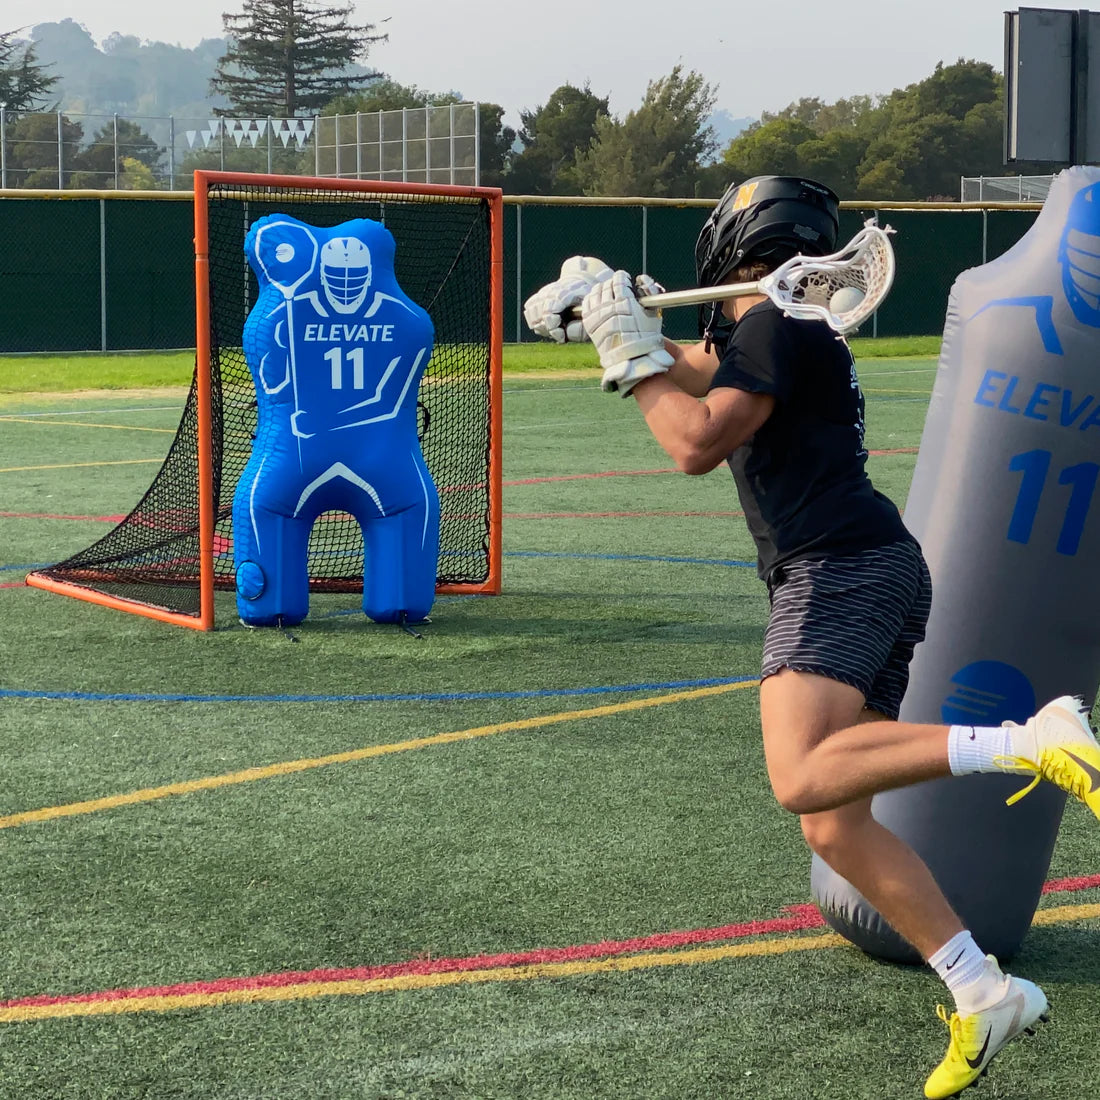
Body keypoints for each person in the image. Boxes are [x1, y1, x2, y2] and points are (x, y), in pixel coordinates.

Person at [523, 175, 1100, 1099]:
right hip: (866, 564)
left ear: (731, 241)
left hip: (837, 566)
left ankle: (1034, 738)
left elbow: (693, 440)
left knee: (800, 774)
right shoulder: (776, 328)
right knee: (836, 824)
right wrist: (612, 312)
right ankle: (981, 988)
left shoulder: (775, 326)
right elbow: (692, 366)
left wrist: (625, 352)